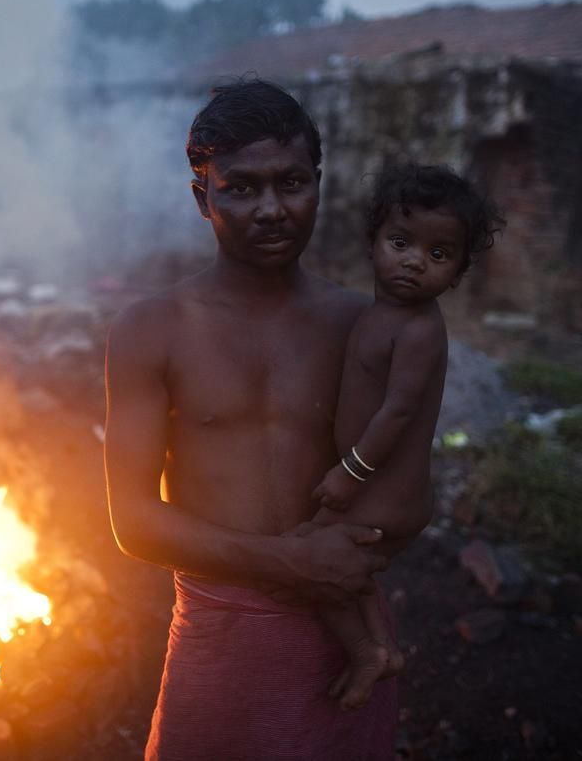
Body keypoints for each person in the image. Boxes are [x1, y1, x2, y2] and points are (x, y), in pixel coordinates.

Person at [103, 80, 419, 760]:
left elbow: (406, 481)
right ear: (202, 198)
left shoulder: (359, 325)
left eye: (291, 183)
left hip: (340, 638)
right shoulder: (151, 329)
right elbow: (131, 519)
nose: (271, 209)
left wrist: (362, 553)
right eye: (241, 188)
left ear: (318, 185)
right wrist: (292, 560)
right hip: (220, 636)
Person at [308, 163, 505, 711]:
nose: (416, 261)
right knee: (355, 569)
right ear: (373, 242)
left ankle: (364, 651)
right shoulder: (382, 313)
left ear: (459, 272)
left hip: (383, 495)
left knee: (309, 558)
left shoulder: (418, 329)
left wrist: (348, 474)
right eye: (401, 242)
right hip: (381, 491)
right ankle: (382, 647)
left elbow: (396, 414)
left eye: (439, 255)